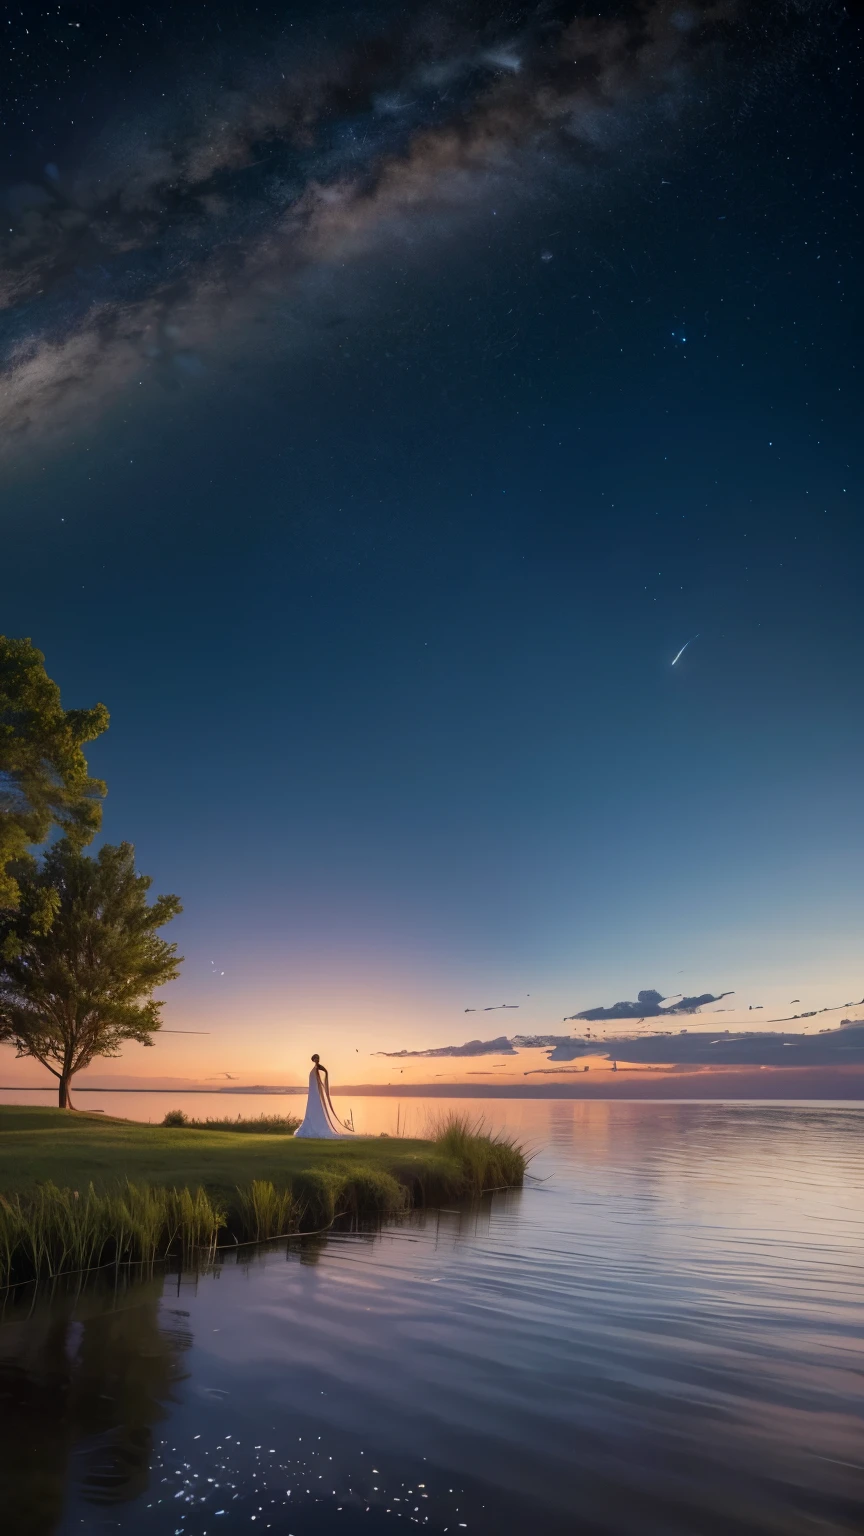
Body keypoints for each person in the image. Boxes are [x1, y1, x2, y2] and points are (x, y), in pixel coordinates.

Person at [294, 1054, 352, 1138]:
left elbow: (325, 1072)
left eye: (317, 1058)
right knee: (312, 1107)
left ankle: (318, 1125)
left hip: (315, 1093)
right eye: (316, 1058)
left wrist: (322, 1084)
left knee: (317, 1107)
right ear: (314, 1059)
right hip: (313, 1093)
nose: (317, 1060)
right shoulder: (315, 1068)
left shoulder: (318, 1067)